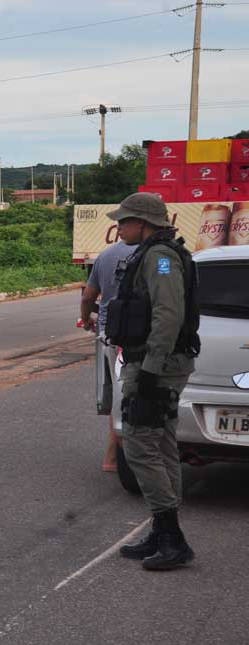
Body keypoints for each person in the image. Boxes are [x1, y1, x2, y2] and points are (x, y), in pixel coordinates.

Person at [105, 193, 200, 571]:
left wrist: (149, 371)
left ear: (144, 223)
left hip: (157, 365)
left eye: (124, 221)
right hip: (158, 362)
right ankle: (162, 532)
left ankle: (172, 537)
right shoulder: (153, 254)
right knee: (161, 444)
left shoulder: (161, 258)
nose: (119, 227)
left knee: (141, 445)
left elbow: (168, 315)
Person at [80, 239, 136, 472]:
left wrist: (86, 321)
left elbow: (87, 298)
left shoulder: (106, 255)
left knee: (118, 393)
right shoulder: (158, 253)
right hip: (143, 336)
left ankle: (113, 457)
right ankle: (124, 458)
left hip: (110, 335)